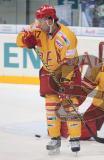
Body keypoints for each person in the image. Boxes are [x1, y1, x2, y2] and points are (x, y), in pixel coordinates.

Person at [16, 4, 82, 154]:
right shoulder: (37, 28)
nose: (37, 24)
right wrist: (26, 39)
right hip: (48, 71)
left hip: (68, 71)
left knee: (70, 104)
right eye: (37, 20)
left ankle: (75, 138)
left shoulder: (67, 36)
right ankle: (55, 138)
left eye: (41, 20)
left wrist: (65, 82)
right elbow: (19, 41)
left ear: (50, 20)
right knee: (51, 106)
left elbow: (70, 62)